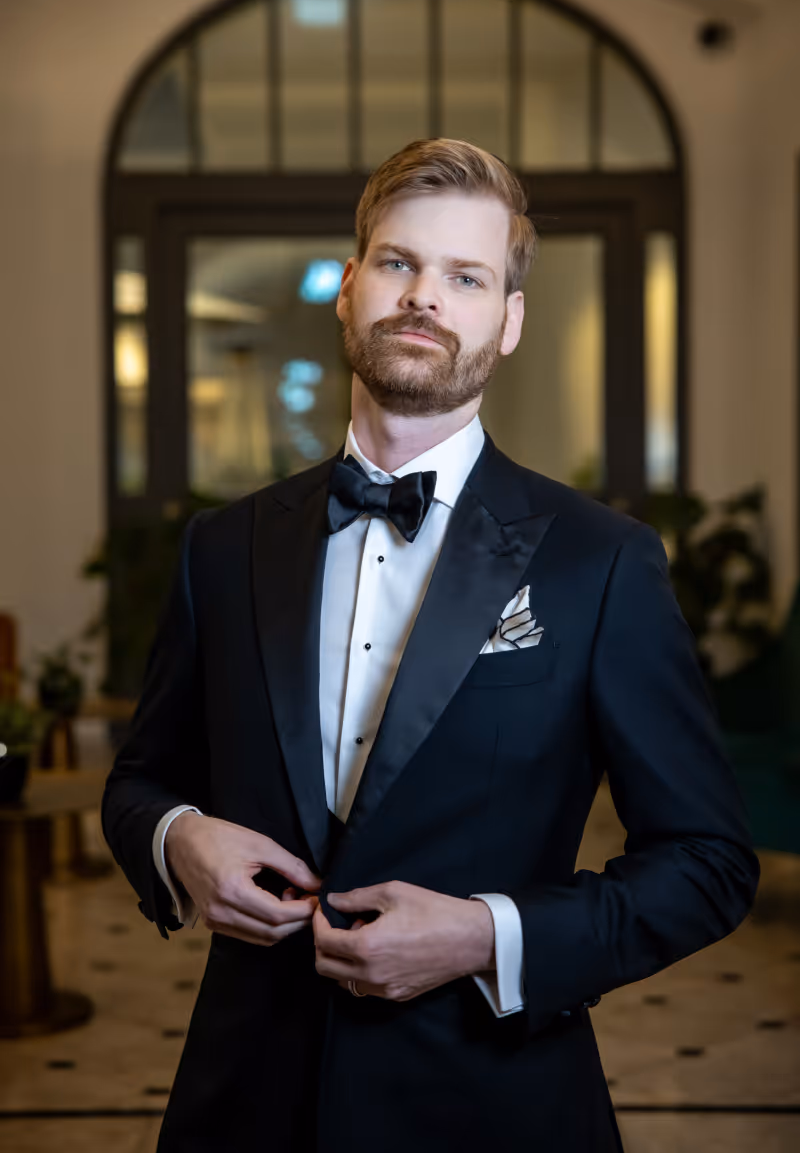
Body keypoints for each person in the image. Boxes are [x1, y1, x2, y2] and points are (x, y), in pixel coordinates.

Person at [102, 138, 759, 1152]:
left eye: (464, 276)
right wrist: (176, 838)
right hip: (246, 1099)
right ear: (350, 285)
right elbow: (140, 780)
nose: (423, 298)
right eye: (399, 263)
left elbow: (708, 864)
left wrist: (484, 935)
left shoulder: (602, 563)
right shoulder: (222, 547)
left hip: (492, 1104)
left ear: (507, 319)